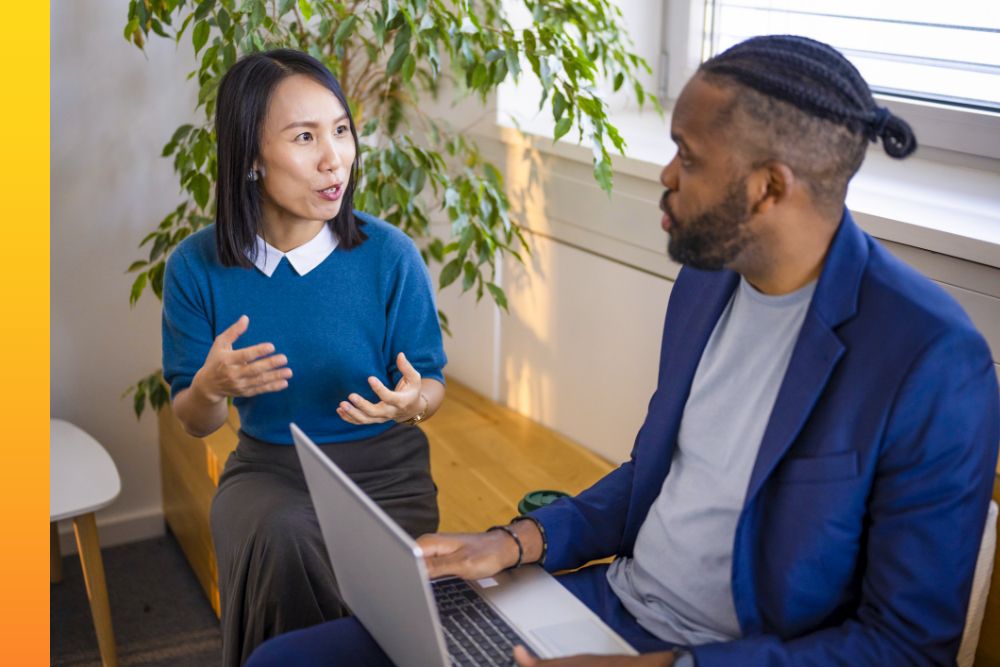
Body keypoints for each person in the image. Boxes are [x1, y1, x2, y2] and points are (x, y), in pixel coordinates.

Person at [245, 35, 999, 667]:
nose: (665, 176)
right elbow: (661, 472)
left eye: (688, 157)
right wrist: (518, 540)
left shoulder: (931, 361)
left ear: (770, 188)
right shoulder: (709, 283)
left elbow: (904, 647)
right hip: (608, 600)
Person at [161, 49, 447, 666]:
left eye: (341, 130)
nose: (333, 158)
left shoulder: (390, 256)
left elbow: (432, 384)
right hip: (269, 471)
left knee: (307, 550)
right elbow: (194, 419)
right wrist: (210, 386)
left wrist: (411, 404)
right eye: (304, 137)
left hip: (385, 475)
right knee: (282, 535)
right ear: (250, 158)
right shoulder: (194, 266)